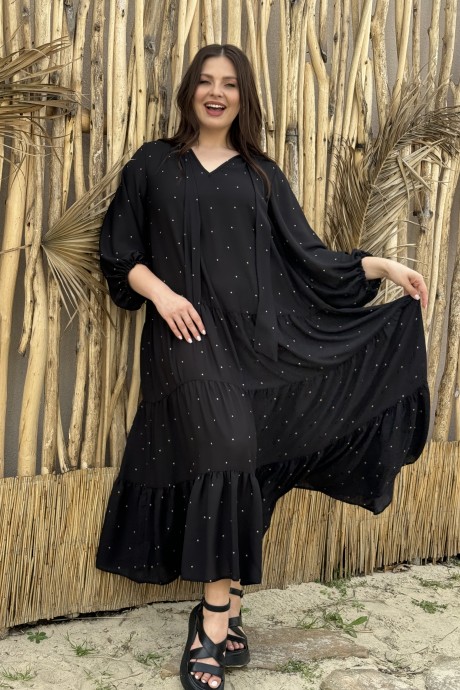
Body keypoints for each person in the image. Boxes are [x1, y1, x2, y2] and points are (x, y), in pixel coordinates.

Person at [96, 44, 429, 690]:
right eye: (205, 81)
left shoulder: (262, 176)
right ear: (189, 91)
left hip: (257, 346)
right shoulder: (152, 164)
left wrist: (383, 266)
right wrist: (163, 295)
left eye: (229, 84)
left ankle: (228, 609)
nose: (216, 93)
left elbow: (310, 258)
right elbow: (119, 253)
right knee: (227, 453)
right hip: (186, 339)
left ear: (243, 97)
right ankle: (211, 625)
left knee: (247, 464)